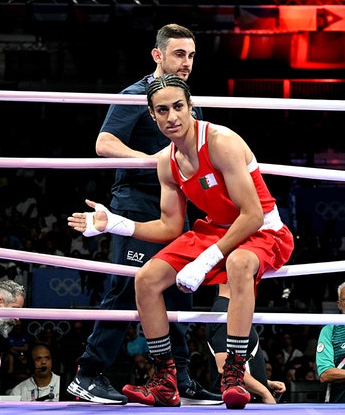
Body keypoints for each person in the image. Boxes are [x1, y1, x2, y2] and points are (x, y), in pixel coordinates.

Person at [67, 73, 294, 409]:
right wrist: (115, 224)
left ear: (191, 108)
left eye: (177, 107)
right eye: (162, 110)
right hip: (215, 229)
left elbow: (252, 215)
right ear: (152, 114)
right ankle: (165, 379)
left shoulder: (221, 142)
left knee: (237, 262)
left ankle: (233, 372)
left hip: (261, 230)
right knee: (145, 279)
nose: (171, 117)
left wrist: (204, 262)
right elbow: (171, 228)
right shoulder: (166, 162)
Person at [66, 24, 221, 406]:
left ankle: (178, 377)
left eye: (191, 56)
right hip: (136, 200)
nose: (186, 63)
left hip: (177, 205)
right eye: (178, 54)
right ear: (158, 55)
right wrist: (153, 162)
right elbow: (104, 143)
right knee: (126, 288)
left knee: (179, 289)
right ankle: (88, 374)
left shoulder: (189, 103)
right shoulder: (135, 97)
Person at [206, 283, 286, 403]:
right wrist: (264, 392)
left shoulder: (234, 309)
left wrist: (264, 382)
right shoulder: (225, 309)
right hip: (239, 401)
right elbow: (224, 364)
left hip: (245, 399)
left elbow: (239, 362)